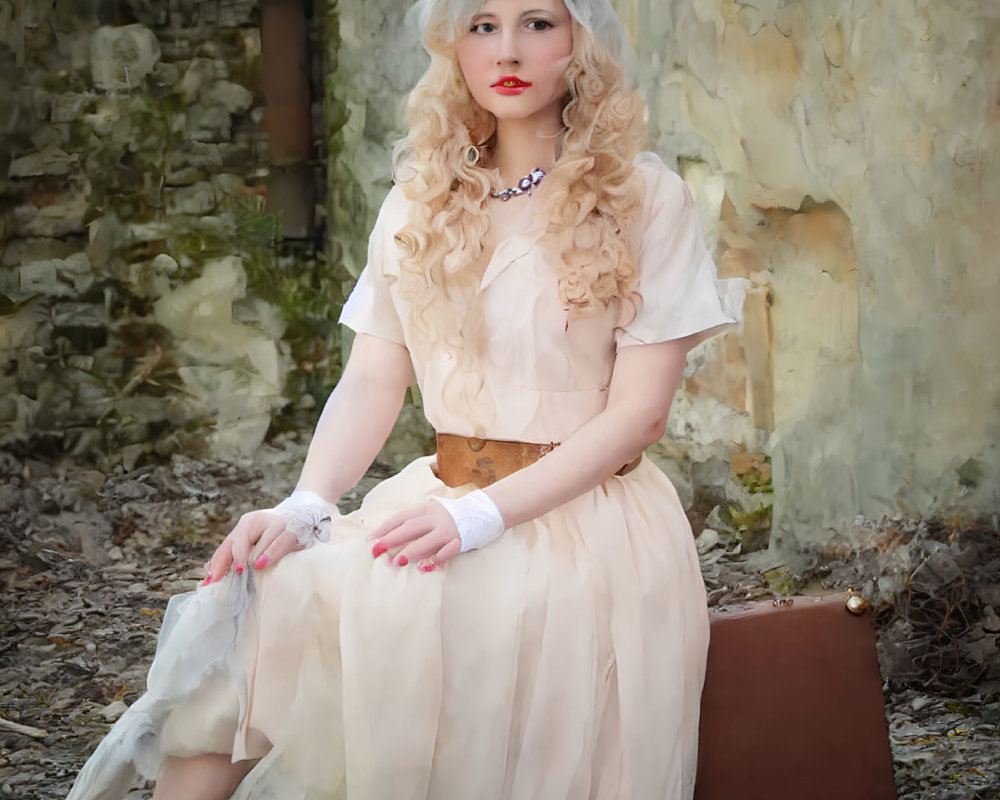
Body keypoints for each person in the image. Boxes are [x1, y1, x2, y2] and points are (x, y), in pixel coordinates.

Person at [68, 0, 742, 798]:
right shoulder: (422, 202)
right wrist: (307, 505)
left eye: (538, 22)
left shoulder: (644, 199)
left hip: (583, 525)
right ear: (454, 46)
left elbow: (640, 414)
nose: (508, 49)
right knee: (254, 612)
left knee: (419, 636)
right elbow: (373, 378)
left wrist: (480, 518)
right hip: (441, 497)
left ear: (582, 43)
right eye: (483, 25)